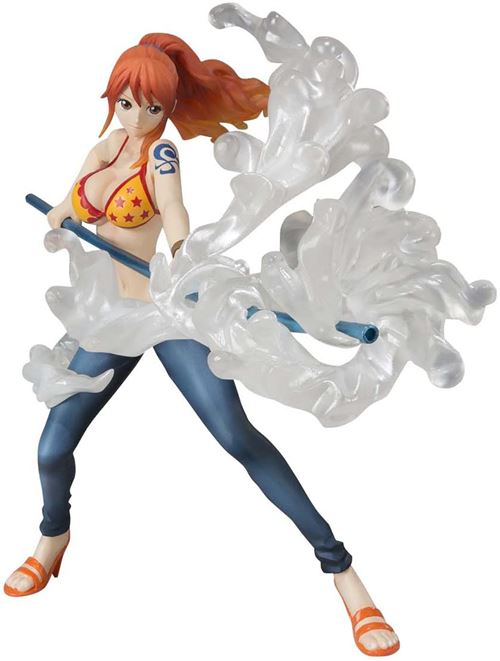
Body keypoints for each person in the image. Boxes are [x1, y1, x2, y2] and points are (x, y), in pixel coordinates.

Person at [4, 34, 399, 657]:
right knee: (52, 448)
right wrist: (59, 214)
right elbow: (71, 200)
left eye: (152, 107)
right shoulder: (104, 147)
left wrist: (185, 262)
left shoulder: (161, 157)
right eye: (127, 103)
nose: (138, 117)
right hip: (108, 318)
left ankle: (343, 571)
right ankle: (54, 535)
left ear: (168, 109)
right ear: (114, 99)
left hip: (165, 313)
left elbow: (174, 213)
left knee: (237, 437)